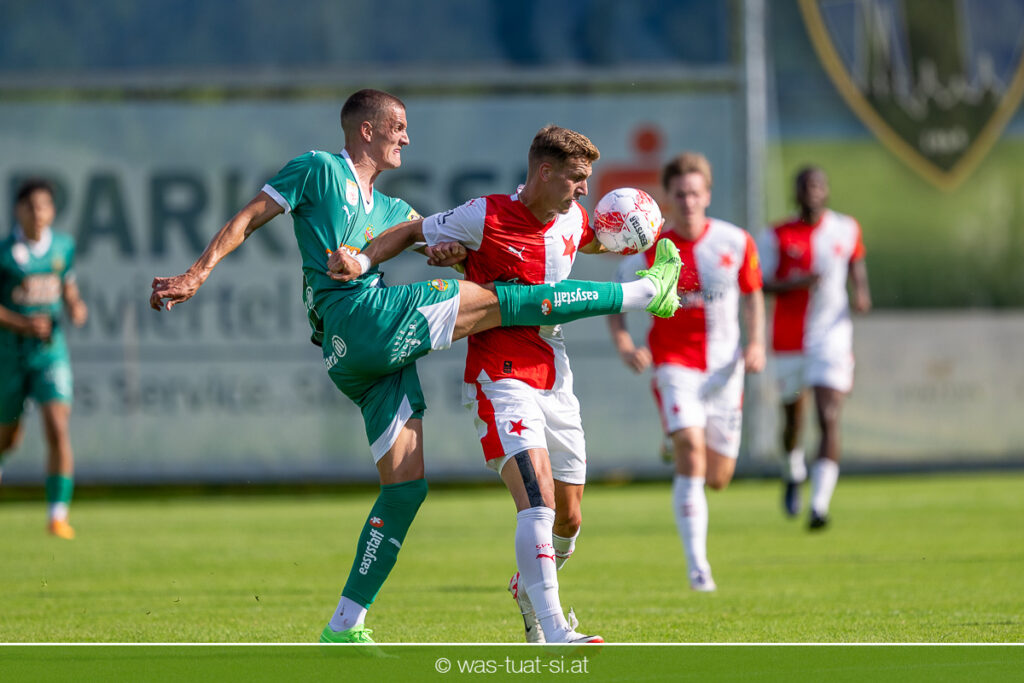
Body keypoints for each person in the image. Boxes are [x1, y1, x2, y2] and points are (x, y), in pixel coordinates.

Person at [150, 89, 683, 644]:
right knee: (506, 300)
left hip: (360, 360)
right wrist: (197, 273)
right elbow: (248, 218)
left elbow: (428, 241)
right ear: (367, 130)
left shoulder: (396, 209)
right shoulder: (318, 169)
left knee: (405, 489)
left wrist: (453, 255)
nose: (406, 137)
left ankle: (345, 626)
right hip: (361, 319)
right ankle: (646, 293)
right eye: (398, 126)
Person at [335, 124, 644, 643]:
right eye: (576, 178)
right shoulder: (485, 215)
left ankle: (529, 589)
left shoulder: (572, 218)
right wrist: (365, 260)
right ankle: (554, 629)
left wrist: (635, 233)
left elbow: (590, 240)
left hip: (555, 378)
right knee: (537, 499)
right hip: (499, 376)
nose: (585, 188)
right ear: (544, 172)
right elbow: (411, 232)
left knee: (569, 518)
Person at [607, 152, 765, 591]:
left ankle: (674, 437)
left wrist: (756, 344)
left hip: (724, 371)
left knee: (718, 478)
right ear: (668, 198)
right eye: (680, 194)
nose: (688, 201)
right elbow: (614, 299)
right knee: (691, 453)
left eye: (695, 193)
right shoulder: (653, 249)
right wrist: (625, 345)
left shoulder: (735, 242)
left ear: (707, 195)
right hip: (674, 366)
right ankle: (699, 569)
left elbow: (753, 294)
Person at [759, 166, 871, 530]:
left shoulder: (846, 227)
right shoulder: (776, 235)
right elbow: (761, 283)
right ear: (796, 192)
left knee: (829, 415)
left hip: (831, 338)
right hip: (789, 340)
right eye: (806, 186)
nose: (813, 191)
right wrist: (799, 282)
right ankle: (792, 471)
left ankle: (819, 505)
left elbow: (855, 260)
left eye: (819, 185)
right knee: (793, 420)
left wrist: (861, 292)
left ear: (827, 190)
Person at [0, 178, 89, 540]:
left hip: (49, 353)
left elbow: (66, 283)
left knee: (57, 427)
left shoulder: (63, 246)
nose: (37, 213)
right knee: (7, 438)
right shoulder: (5, 253)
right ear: (18, 210)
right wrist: (22, 323)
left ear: (53, 211)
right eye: (30, 206)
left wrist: (75, 305)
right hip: (9, 355)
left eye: (44, 206)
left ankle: (57, 515)